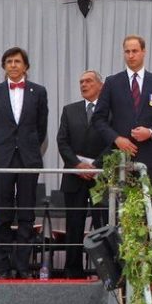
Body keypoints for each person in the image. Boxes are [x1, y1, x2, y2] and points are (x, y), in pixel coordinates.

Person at [0, 47, 48, 279]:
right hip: (2, 159)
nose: (13, 65)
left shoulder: (39, 92)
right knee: (2, 216)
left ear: (26, 66)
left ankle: (23, 267)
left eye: (17, 61)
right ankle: (3, 269)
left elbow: (41, 127)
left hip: (28, 158)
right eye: (9, 61)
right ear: (4, 66)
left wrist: (29, 145)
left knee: (26, 215)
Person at [92, 35, 152, 185]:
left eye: (135, 51)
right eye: (127, 51)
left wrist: (150, 132)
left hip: (148, 156)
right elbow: (98, 118)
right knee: (119, 205)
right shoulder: (112, 82)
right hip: (118, 155)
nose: (131, 55)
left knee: (143, 205)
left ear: (144, 52)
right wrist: (116, 139)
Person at [57, 70, 111, 278]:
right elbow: (62, 142)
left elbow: (113, 142)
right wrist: (78, 165)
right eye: (81, 82)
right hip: (74, 177)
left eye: (88, 81)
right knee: (74, 225)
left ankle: (105, 273)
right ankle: (73, 272)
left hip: (101, 178)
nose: (83, 85)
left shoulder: (110, 111)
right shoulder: (69, 110)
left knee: (102, 226)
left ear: (100, 85)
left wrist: (95, 166)